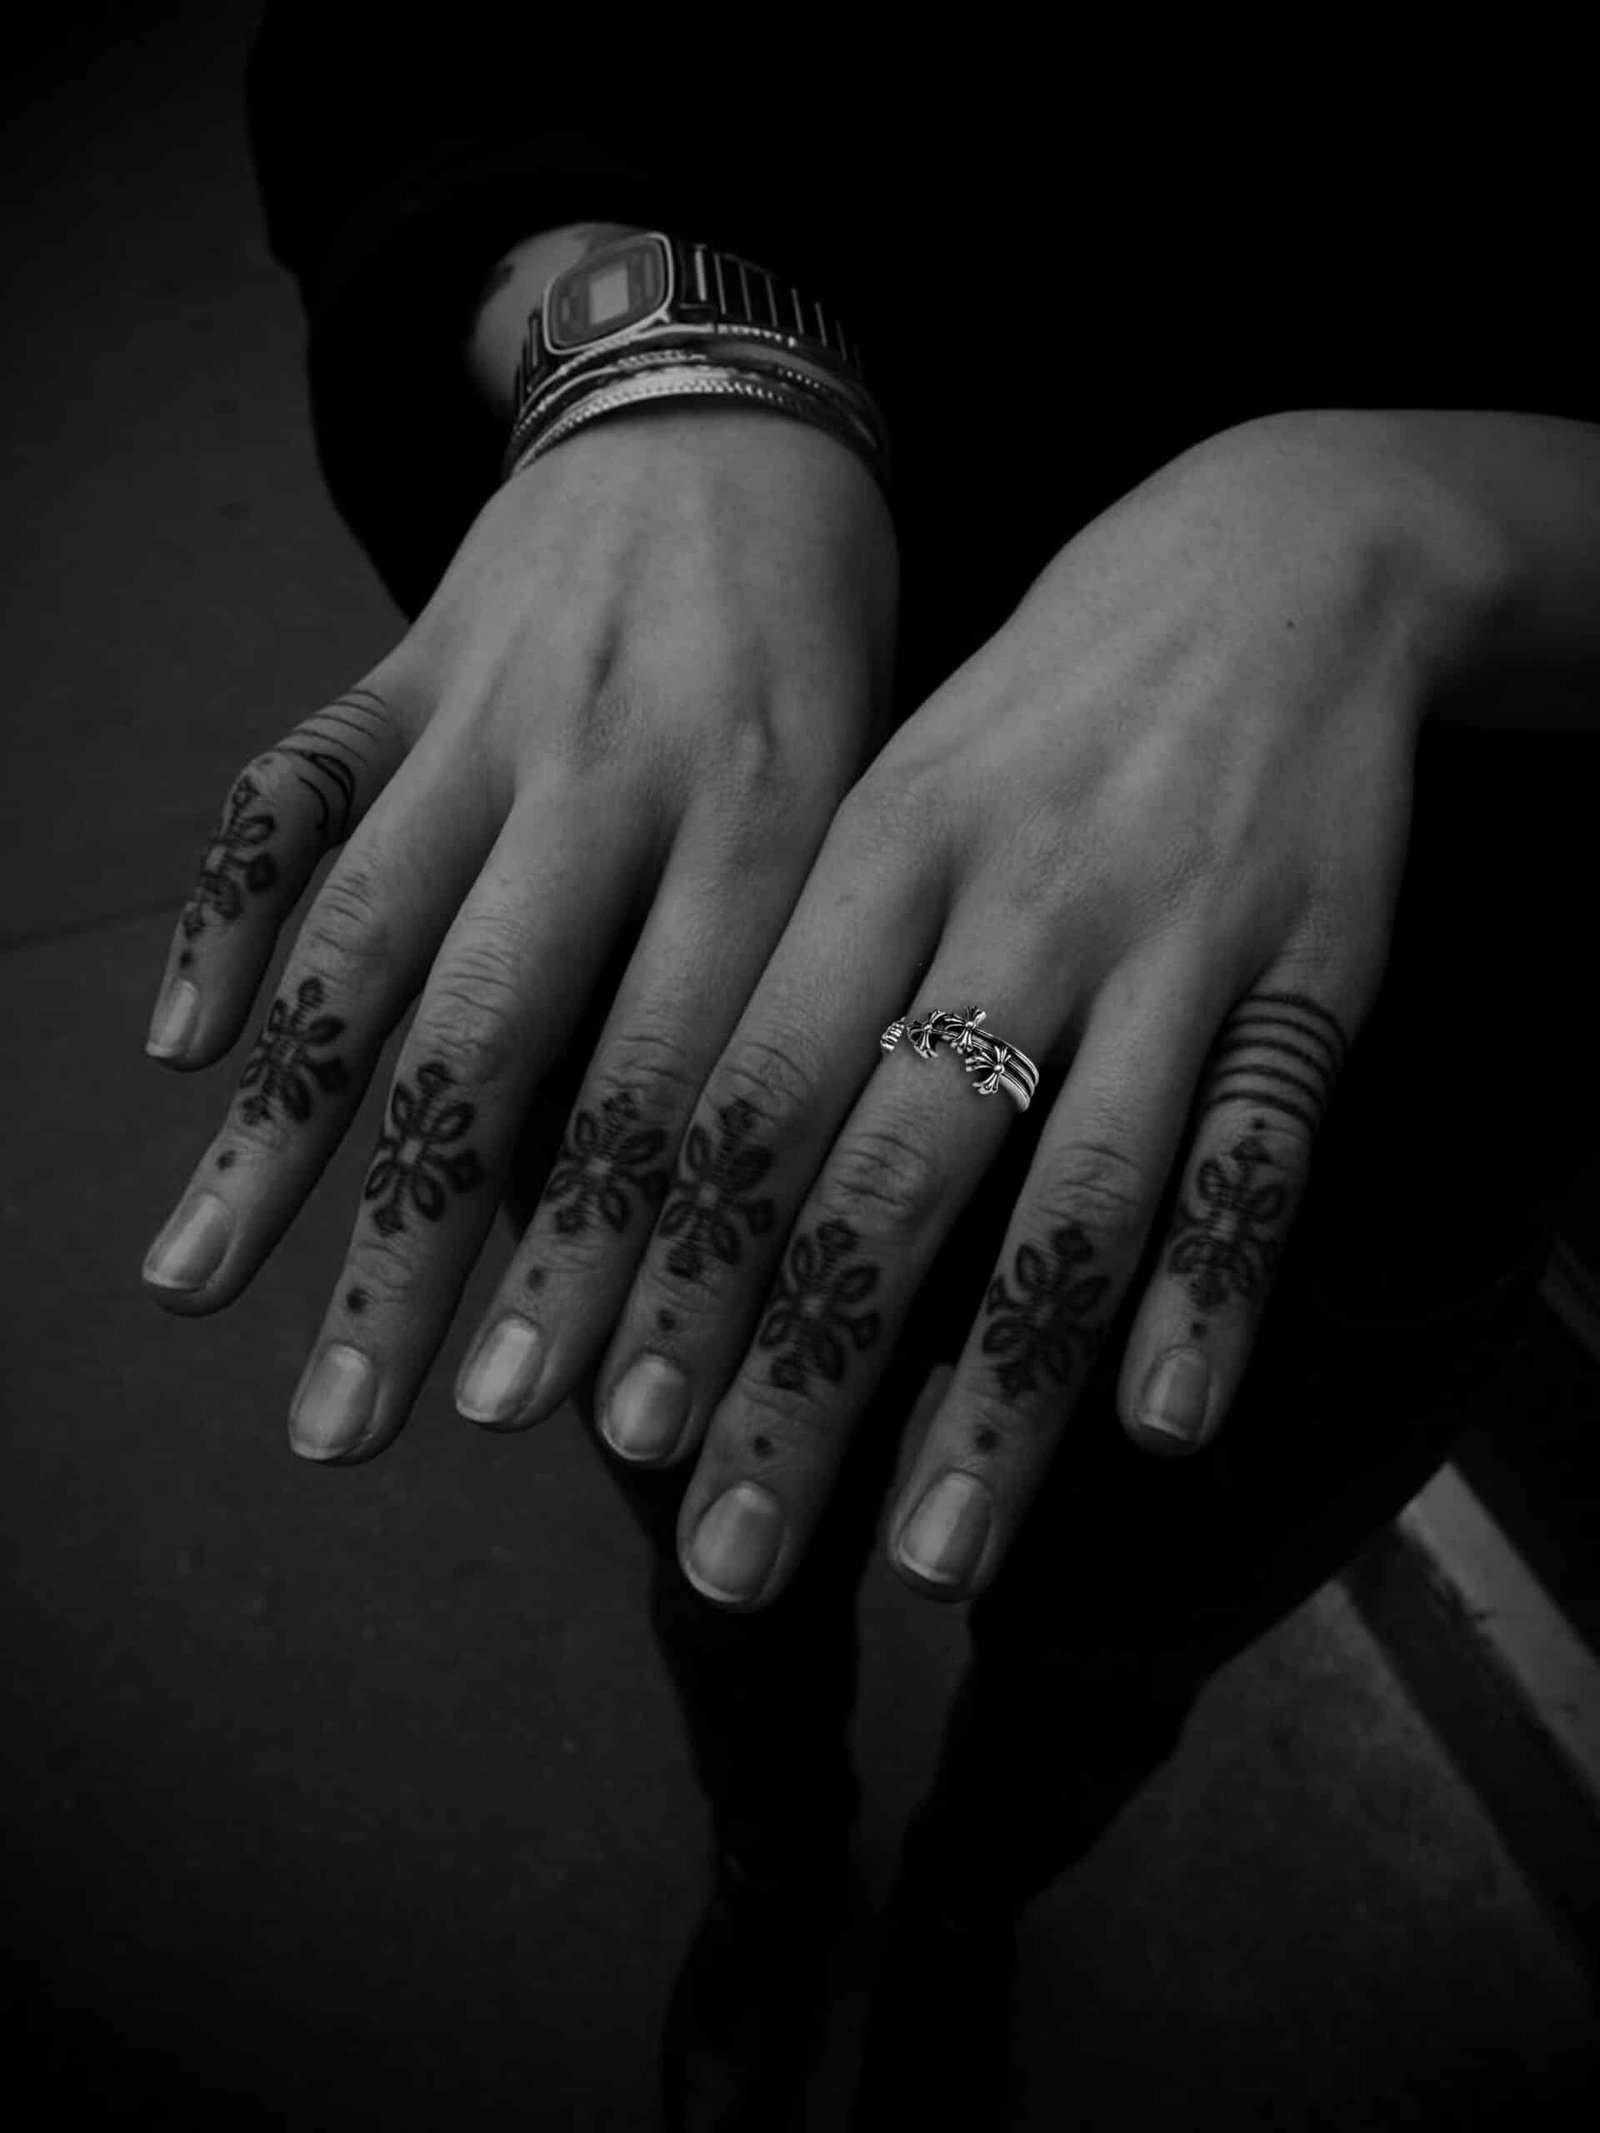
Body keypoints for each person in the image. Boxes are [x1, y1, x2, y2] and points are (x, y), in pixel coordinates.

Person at [139, 12, 1600, 2127]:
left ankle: (969, 1899)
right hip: (696, 913)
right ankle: (778, 1856)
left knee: (1116, 1639)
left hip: (1384, 1039)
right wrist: (647, 335)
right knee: (720, 1513)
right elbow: (391, 61)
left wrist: (1425, 528)